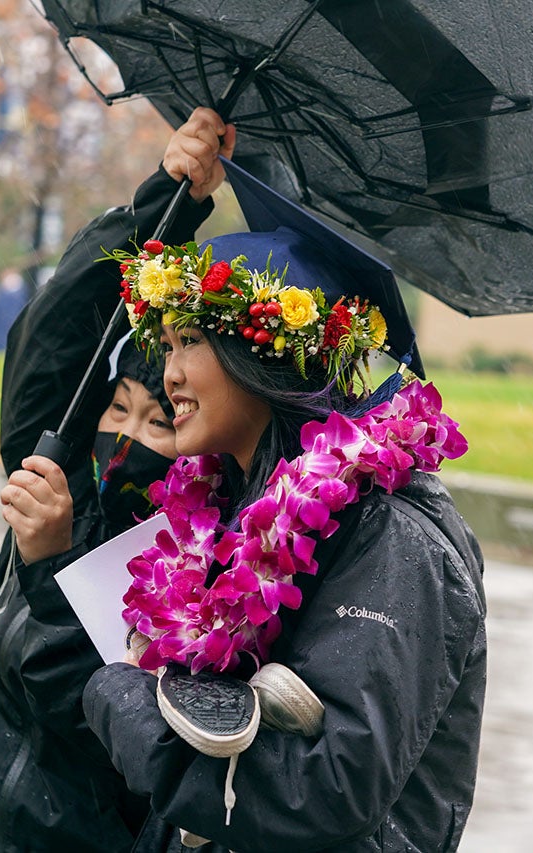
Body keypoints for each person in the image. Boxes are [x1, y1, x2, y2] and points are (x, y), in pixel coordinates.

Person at [81, 149, 487, 850]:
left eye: (190, 341)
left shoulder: (393, 538)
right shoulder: (218, 513)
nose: (169, 372)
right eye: (165, 343)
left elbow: (326, 789)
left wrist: (135, 717)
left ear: (262, 354)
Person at [0, 108, 234, 852]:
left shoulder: (197, 565)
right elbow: (48, 342)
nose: (127, 435)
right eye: (118, 407)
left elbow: (89, 712)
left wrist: (54, 561)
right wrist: (164, 205)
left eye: (157, 423)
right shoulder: (61, 484)